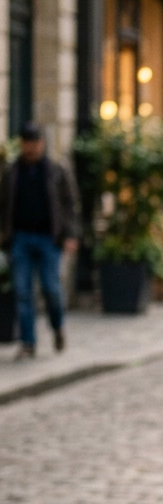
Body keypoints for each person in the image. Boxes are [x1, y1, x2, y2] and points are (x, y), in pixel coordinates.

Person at [0, 123, 79, 359]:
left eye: (35, 143)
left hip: (49, 239)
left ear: (42, 144)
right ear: (22, 144)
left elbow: (70, 204)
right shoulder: (11, 172)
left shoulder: (56, 170)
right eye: (27, 143)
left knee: (51, 289)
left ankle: (57, 326)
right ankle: (28, 342)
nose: (31, 148)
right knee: (23, 292)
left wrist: (71, 234)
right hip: (20, 238)